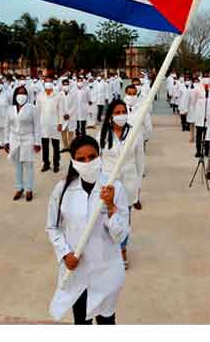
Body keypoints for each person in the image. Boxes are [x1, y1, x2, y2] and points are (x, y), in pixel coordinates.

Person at [46, 135, 129, 324]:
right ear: (73, 162)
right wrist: (65, 254)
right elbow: (52, 227)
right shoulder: (62, 189)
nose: (87, 162)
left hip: (106, 272)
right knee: (81, 321)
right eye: (81, 159)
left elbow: (120, 235)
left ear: (99, 156)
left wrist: (110, 207)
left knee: (106, 322)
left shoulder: (115, 188)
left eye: (92, 157)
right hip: (77, 271)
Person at [100, 100, 144, 267]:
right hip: (109, 184)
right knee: (108, 217)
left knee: (124, 219)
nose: (121, 115)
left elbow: (140, 161)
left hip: (129, 184)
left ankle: (122, 249)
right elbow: (99, 160)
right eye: (117, 112)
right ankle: (109, 249)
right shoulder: (103, 135)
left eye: (123, 111)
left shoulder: (135, 134)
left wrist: (138, 183)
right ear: (111, 116)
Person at [4, 85, 41, 201]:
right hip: (14, 139)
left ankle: (29, 189)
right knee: (17, 166)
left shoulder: (32, 108)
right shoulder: (10, 109)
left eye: (23, 93)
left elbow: (37, 126)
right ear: (15, 96)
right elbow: (7, 126)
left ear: (27, 96)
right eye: (19, 93)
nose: (21, 95)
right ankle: (19, 188)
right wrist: (6, 142)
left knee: (29, 165)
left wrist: (37, 142)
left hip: (28, 139)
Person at [37, 77, 61, 173]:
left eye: (50, 81)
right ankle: (46, 163)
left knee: (56, 146)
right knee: (45, 146)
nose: (48, 83)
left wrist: (60, 123)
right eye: (46, 82)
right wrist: (37, 124)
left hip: (55, 124)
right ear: (43, 84)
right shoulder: (39, 96)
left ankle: (56, 164)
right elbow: (37, 111)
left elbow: (61, 110)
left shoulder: (58, 95)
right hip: (43, 124)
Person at [59, 78, 77, 153]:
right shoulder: (59, 94)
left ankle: (70, 146)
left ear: (69, 85)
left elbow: (74, 105)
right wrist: (63, 114)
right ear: (62, 85)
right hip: (62, 116)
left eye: (67, 84)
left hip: (71, 116)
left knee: (71, 132)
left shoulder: (73, 94)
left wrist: (69, 114)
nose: (66, 86)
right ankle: (65, 146)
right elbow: (59, 106)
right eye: (64, 84)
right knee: (63, 131)